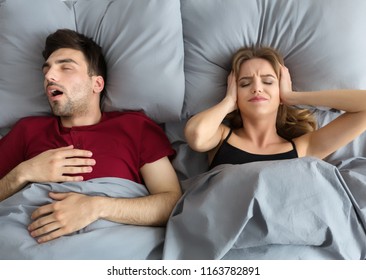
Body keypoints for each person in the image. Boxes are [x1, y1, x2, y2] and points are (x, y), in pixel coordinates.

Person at [0, 29, 182, 243]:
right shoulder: (27, 130)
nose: (49, 76)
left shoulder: (135, 127)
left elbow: (170, 203)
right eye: (46, 71)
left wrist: (96, 207)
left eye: (65, 67)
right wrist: (23, 172)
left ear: (97, 84)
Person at [185, 46, 366, 169]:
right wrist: (228, 101)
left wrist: (292, 97)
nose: (257, 88)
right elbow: (195, 135)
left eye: (268, 81)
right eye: (245, 84)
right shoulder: (221, 136)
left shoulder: (303, 148)